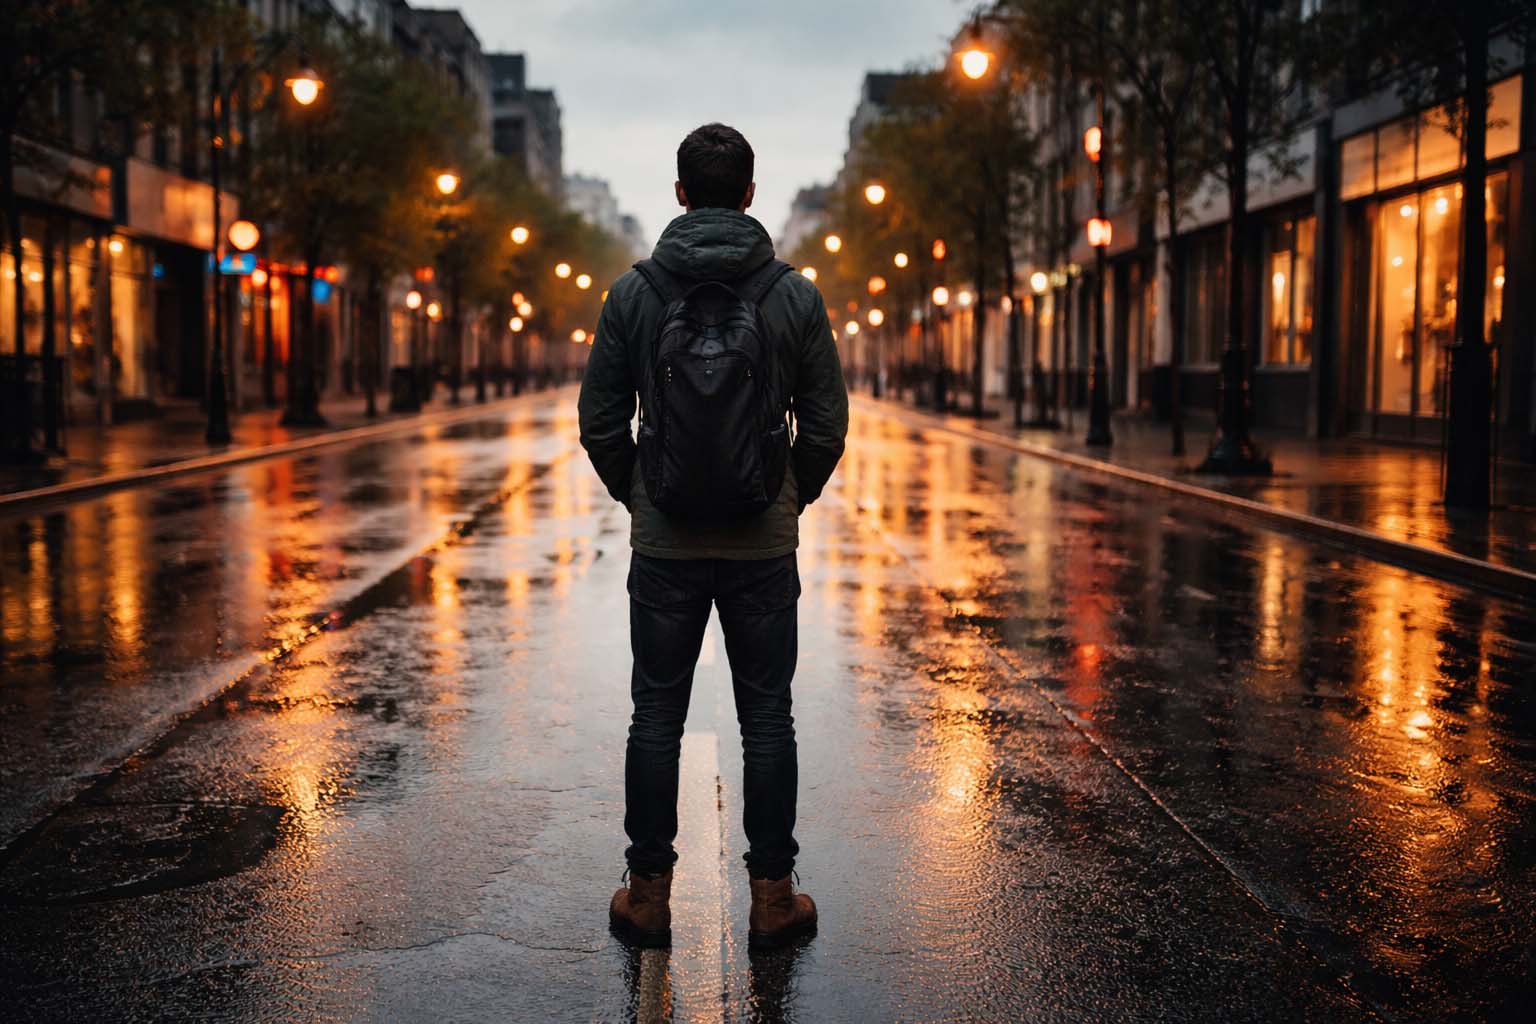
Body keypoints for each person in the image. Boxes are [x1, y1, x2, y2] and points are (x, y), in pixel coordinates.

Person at [578, 122, 848, 950]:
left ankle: (648, 897)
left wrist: (645, 495)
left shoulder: (633, 294)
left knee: (655, 714)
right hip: (761, 545)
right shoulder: (795, 297)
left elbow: (600, 422)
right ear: (752, 195)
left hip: (666, 546)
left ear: (680, 193)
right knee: (767, 718)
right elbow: (827, 426)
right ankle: (773, 899)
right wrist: (783, 499)